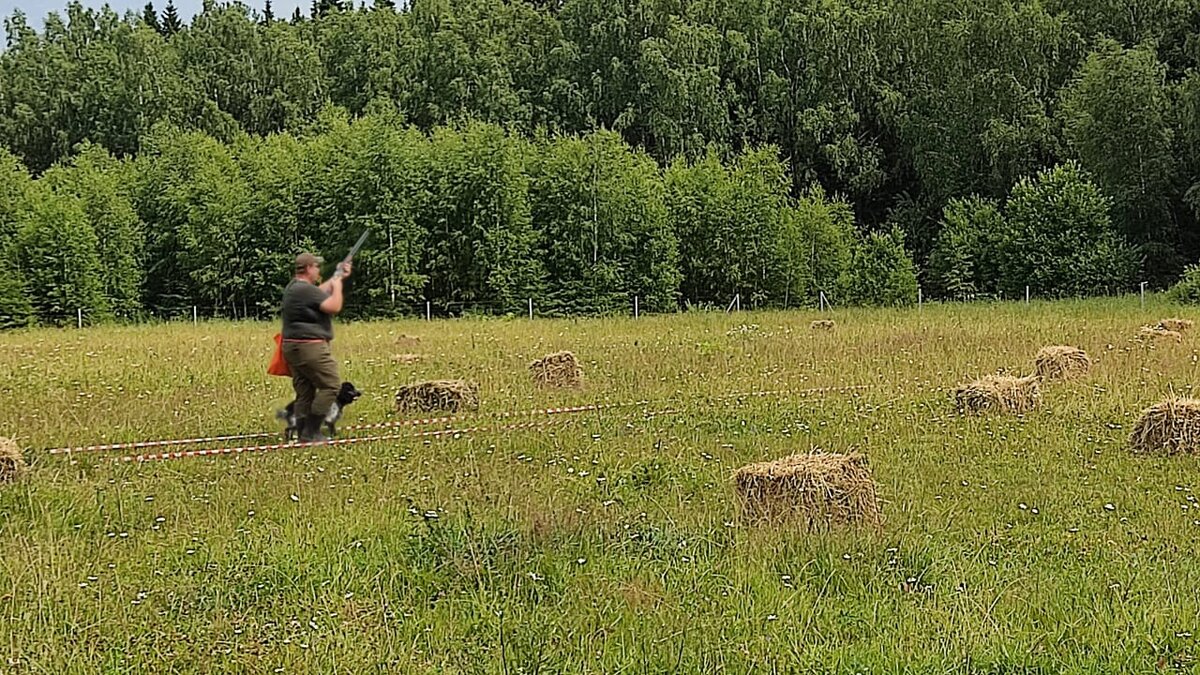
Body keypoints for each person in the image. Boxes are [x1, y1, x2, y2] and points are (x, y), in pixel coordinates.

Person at [280, 252, 352, 443]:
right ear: (309, 268)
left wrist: (338, 276)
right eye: (317, 267)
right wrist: (338, 286)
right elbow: (334, 306)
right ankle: (312, 432)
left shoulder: (296, 288)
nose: (319, 270)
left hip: (293, 347)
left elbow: (318, 293)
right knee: (331, 385)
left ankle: (302, 433)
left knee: (305, 391)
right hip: (310, 348)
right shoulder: (303, 289)